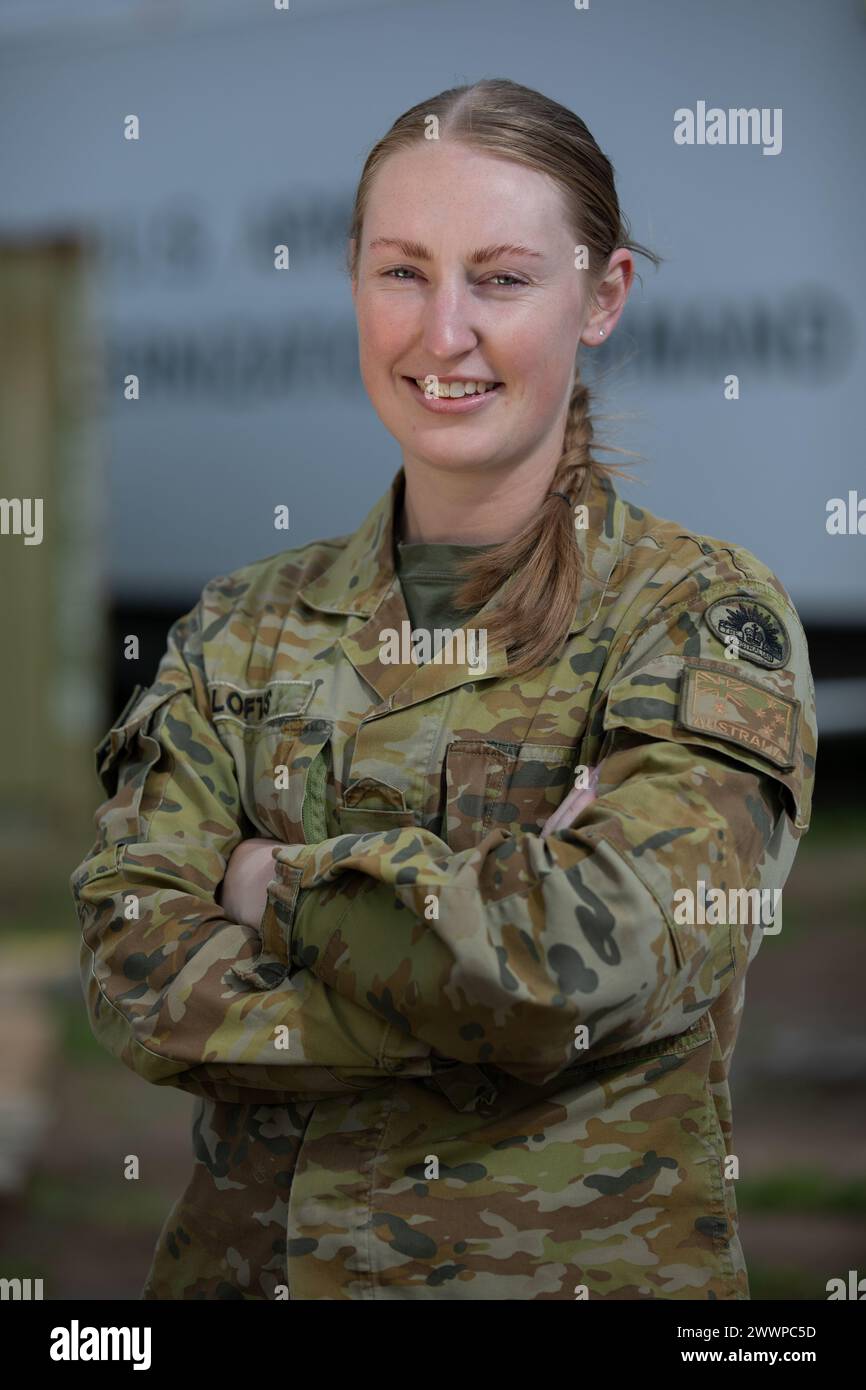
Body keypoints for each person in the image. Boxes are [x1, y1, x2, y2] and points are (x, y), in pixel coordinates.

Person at [70, 78, 817, 1301]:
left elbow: (581, 966)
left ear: (602, 295)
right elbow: (135, 975)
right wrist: (490, 1009)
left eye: (502, 277)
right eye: (401, 271)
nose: (441, 331)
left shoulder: (691, 618)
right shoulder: (240, 628)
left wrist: (267, 881)